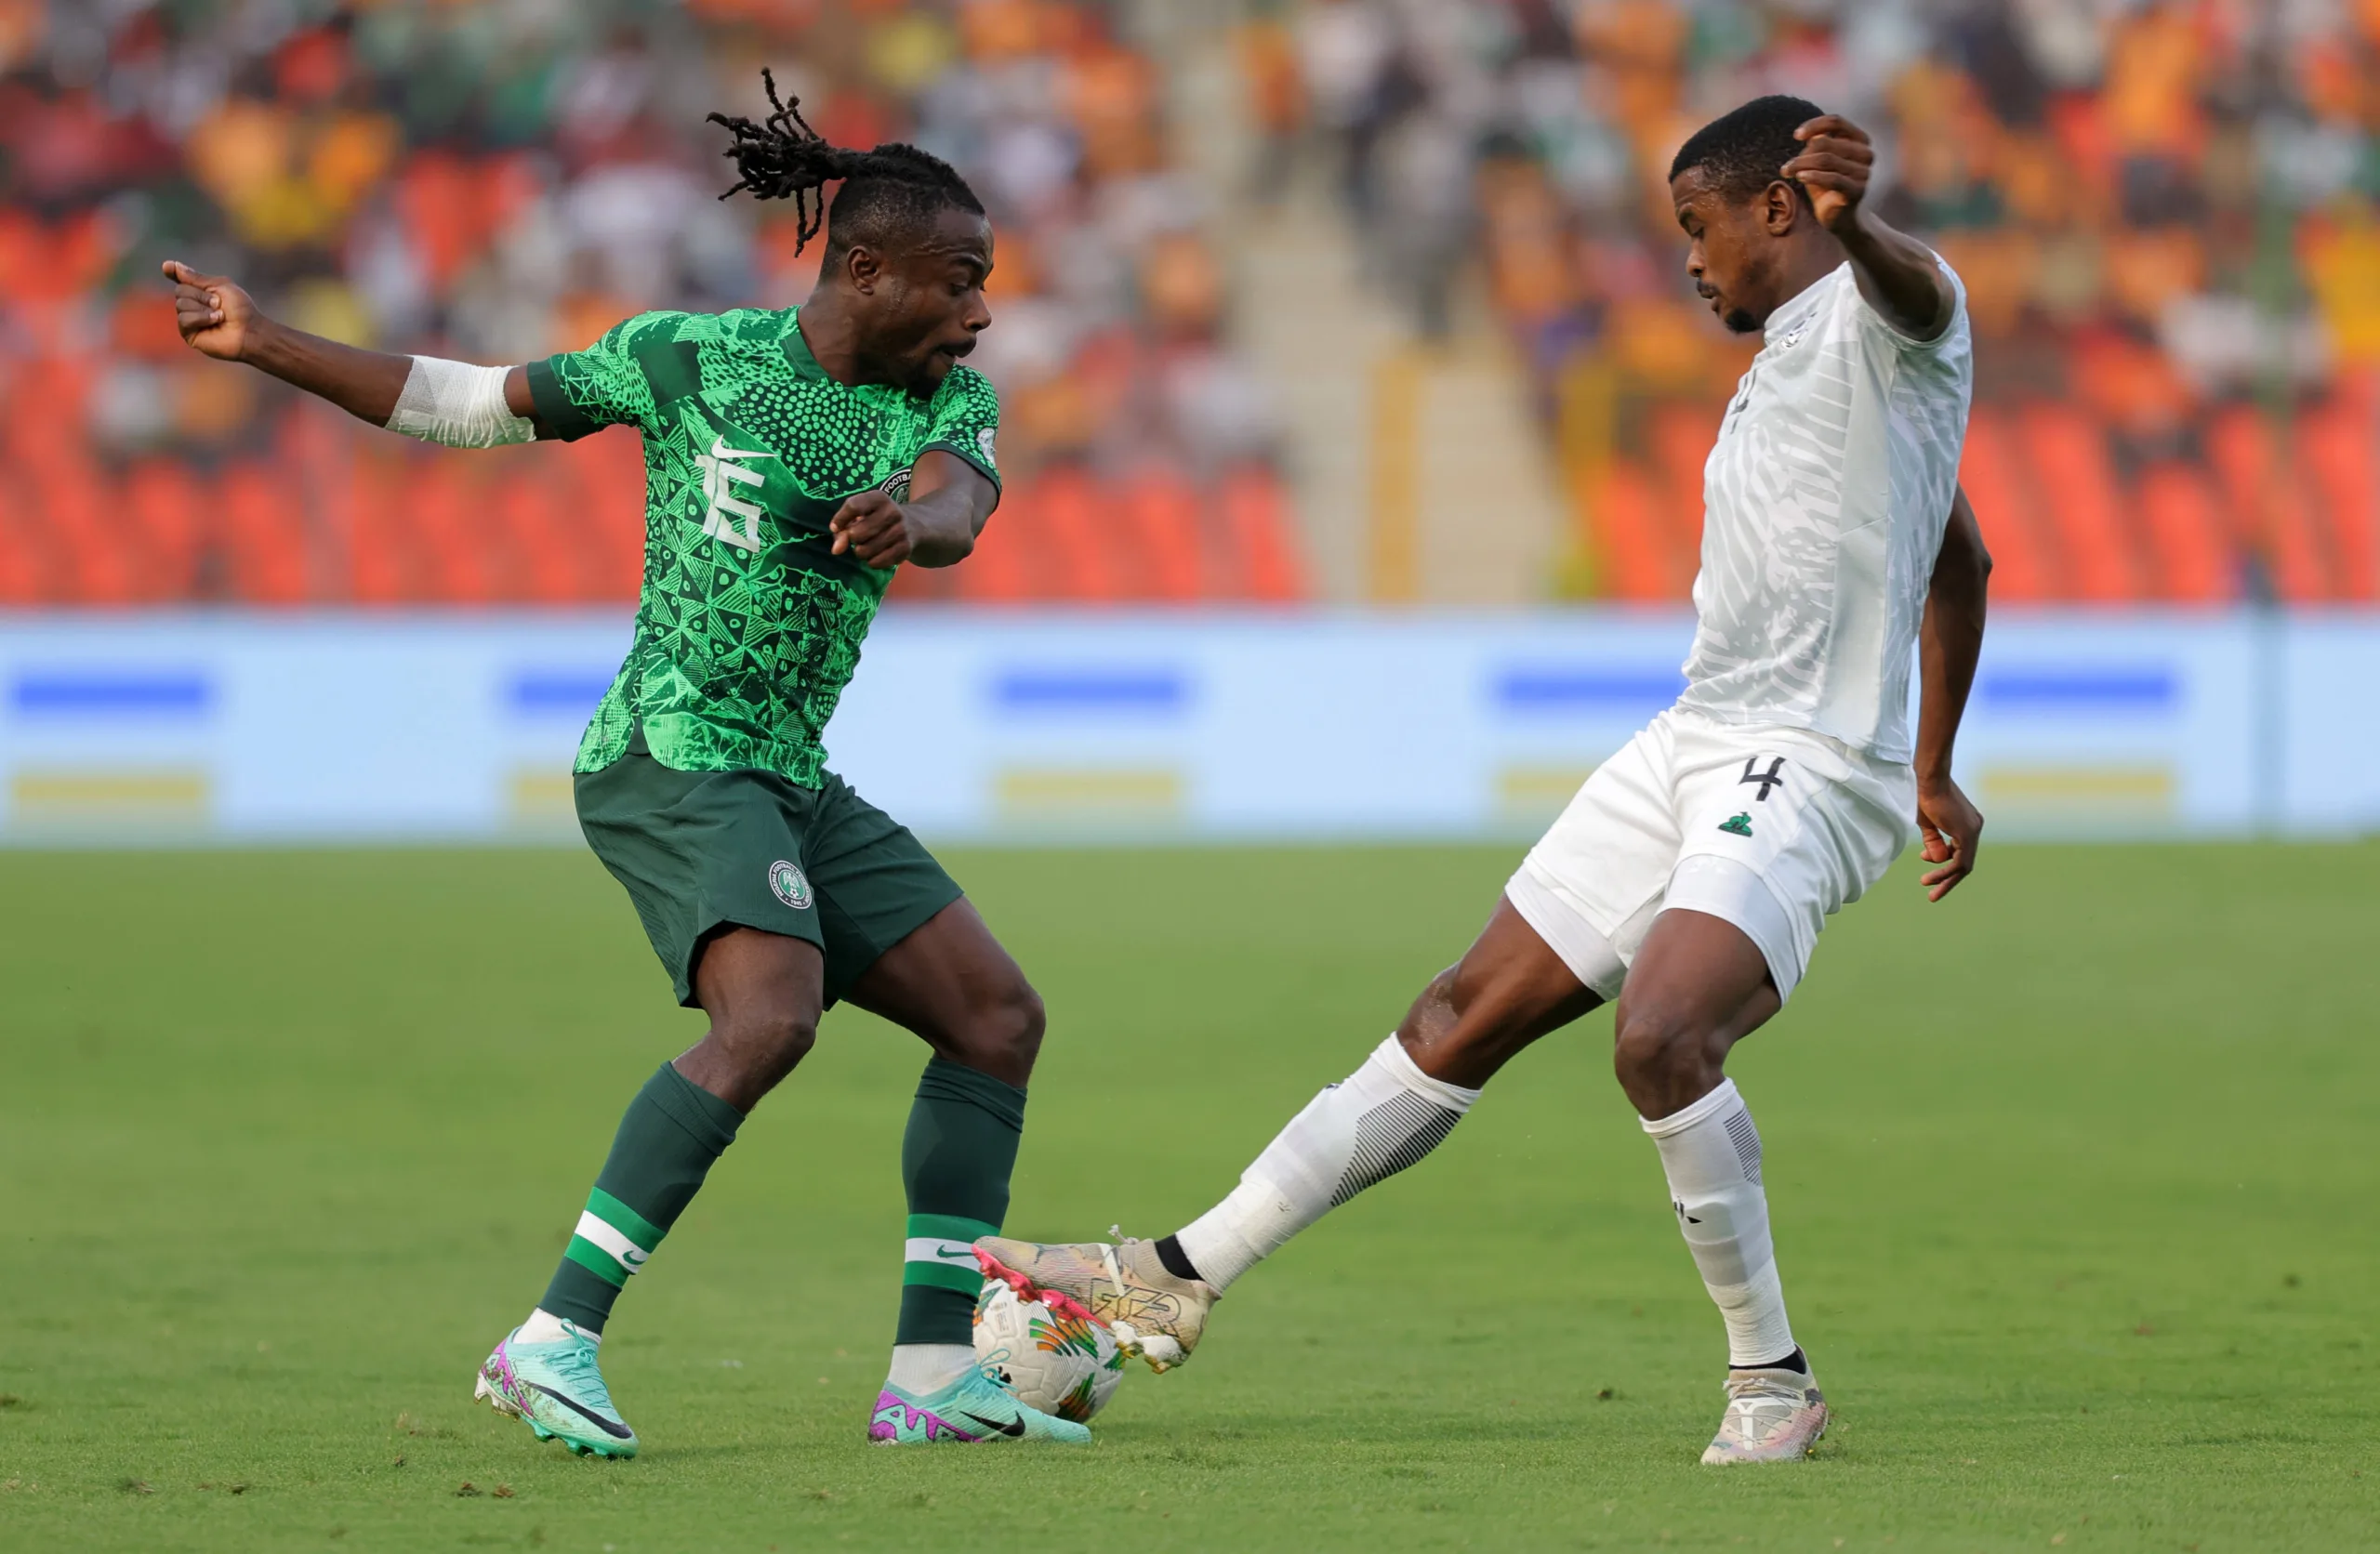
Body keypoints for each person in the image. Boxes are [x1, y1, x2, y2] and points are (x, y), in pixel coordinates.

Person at [978, 96, 1990, 1466]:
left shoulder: (1891, 318)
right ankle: (1177, 1268)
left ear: (1779, 210)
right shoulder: (1782, 372)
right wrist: (1940, 766)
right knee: (1458, 1012)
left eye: (1699, 229)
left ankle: (1773, 1379)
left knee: (1662, 1038)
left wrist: (1858, 221)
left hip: (1807, 758)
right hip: (1696, 736)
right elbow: (1958, 560)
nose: (1687, 261)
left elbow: (1923, 293)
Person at [165, 72, 1089, 1455]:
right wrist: (265, 341)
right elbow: (475, 404)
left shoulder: (944, 408)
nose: (980, 312)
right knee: (770, 1019)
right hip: (668, 749)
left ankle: (933, 1378)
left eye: (985, 287)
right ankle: (550, 1343)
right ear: (865, 267)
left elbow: (960, 508)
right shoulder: (687, 358)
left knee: (996, 1021)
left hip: (783, 770)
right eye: (959, 283)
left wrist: (912, 516)